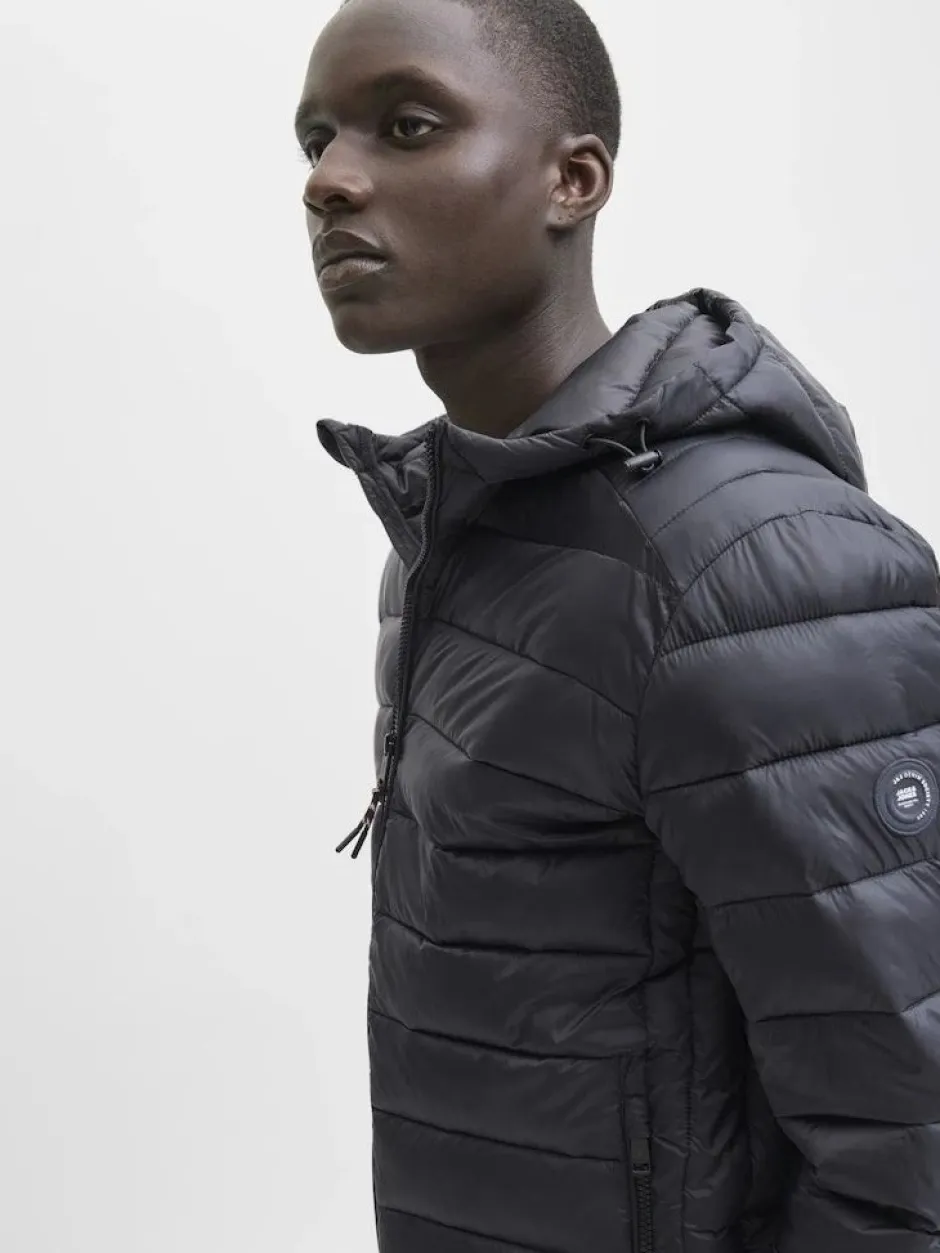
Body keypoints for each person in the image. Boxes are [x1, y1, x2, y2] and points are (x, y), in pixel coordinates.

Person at [295, 0, 940, 1249]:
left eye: (406, 126)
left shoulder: (745, 564)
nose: (328, 181)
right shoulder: (459, 536)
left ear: (572, 179)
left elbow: (910, 1138)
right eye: (315, 139)